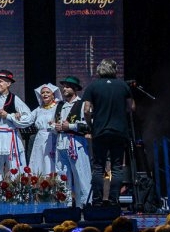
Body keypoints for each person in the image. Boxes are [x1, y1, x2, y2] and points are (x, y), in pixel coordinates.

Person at [82, 59, 134, 207]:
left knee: (98, 167)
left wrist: (90, 124)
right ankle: (113, 200)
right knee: (117, 167)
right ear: (114, 69)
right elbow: (132, 107)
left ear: (99, 70)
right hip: (119, 131)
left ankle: (97, 201)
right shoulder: (123, 85)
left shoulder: (93, 86)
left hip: (100, 131)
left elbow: (86, 109)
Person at [0, 69, 33, 174]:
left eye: (1, 81)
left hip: (10, 136)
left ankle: (16, 190)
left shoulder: (15, 99)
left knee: (14, 167)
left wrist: (8, 116)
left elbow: (29, 118)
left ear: (8, 83)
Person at [53, 75, 92, 207]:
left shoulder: (81, 104)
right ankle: (66, 205)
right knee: (62, 176)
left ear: (75, 89)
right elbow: (55, 123)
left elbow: (88, 125)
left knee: (81, 175)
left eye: (68, 86)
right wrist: (55, 126)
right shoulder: (60, 105)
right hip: (61, 143)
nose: (64, 89)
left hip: (76, 143)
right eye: (63, 86)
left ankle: (86, 204)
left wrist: (69, 126)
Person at [27, 83, 60, 177]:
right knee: (38, 162)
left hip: (52, 137)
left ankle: (53, 185)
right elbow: (27, 119)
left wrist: (54, 124)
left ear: (53, 94)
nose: (45, 94)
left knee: (50, 162)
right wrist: (14, 116)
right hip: (39, 139)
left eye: (47, 92)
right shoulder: (39, 109)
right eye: (43, 92)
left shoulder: (58, 107)